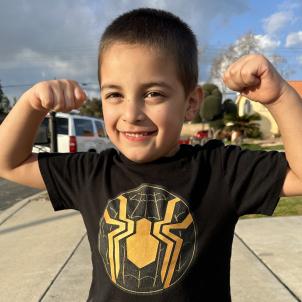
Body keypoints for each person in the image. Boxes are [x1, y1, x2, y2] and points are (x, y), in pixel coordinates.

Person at [0, 8, 301, 302]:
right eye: (114, 94)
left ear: (191, 103)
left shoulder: (221, 170)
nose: (131, 114)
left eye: (153, 93)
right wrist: (30, 106)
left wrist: (280, 98)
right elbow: (8, 163)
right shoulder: (90, 172)